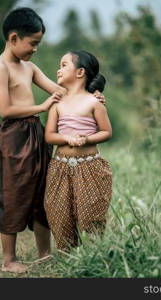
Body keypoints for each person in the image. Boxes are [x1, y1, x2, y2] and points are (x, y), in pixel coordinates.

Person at [0, 8, 104, 273]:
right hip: (12, 138)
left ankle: (44, 254)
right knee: (13, 193)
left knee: (43, 191)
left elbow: (61, 91)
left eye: (38, 44)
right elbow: (5, 110)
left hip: (37, 134)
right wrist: (41, 108)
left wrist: (90, 97)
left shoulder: (29, 67)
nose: (35, 49)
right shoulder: (0, 67)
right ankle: (8, 260)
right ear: (14, 38)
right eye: (33, 43)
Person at [44, 50, 113, 251]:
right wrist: (67, 138)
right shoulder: (57, 103)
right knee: (59, 211)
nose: (59, 69)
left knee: (90, 213)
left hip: (89, 167)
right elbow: (50, 135)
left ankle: (92, 255)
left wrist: (86, 139)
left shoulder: (94, 102)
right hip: (60, 167)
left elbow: (106, 131)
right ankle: (68, 256)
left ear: (80, 72)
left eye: (64, 65)